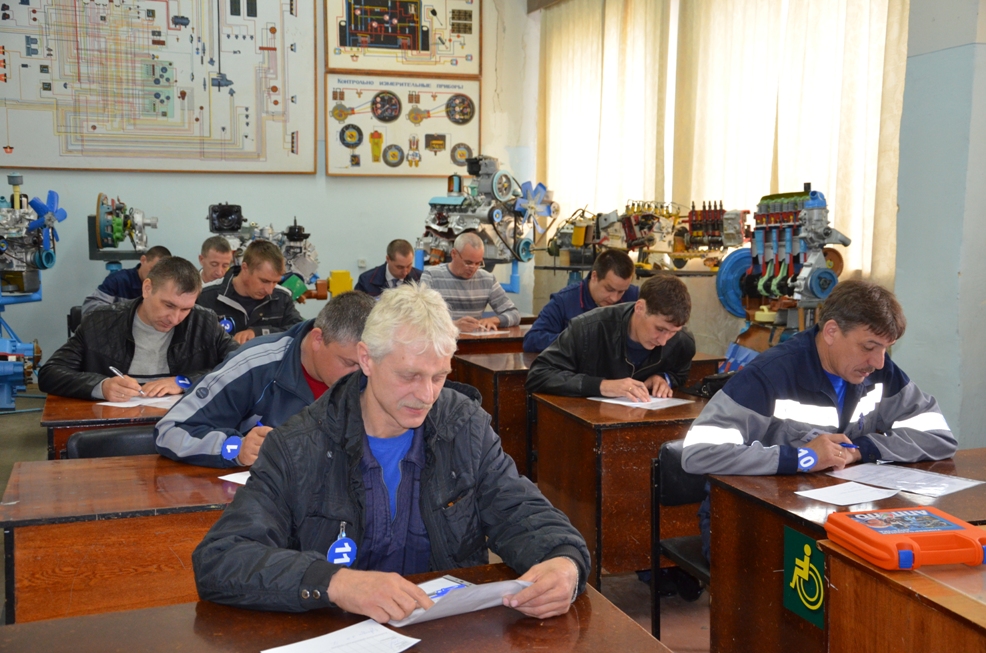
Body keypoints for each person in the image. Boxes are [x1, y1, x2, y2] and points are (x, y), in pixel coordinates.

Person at [192, 283, 590, 623]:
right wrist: (335, 583)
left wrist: (564, 562)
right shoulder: (298, 445)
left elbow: (521, 512)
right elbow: (220, 559)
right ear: (366, 359)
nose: (426, 395)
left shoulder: (463, 426)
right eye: (409, 376)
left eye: (439, 376)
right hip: (336, 633)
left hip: (443, 632)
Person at [681, 280, 957, 558]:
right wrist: (803, 457)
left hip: (837, 515)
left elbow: (938, 436)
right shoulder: (770, 374)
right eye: (869, 346)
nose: (879, 362)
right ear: (831, 331)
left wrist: (861, 449)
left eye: (886, 348)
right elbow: (699, 452)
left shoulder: (880, 374)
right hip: (749, 522)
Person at [155, 291, 375, 468]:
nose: (361, 374)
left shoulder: (379, 370)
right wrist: (236, 448)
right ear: (318, 339)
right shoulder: (255, 364)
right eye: (349, 363)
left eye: (369, 362)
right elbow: (170, 430)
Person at [39, 257, 238, 401]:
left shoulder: (204, 322)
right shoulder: (100, 322)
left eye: (185, 309)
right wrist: (101, 386)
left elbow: (243, 364)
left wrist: (185, 381)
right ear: (147, 289)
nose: (175, 318)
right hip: (112, 426)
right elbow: (50, 373)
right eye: (168, 305)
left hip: (181, 425)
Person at [526, 273, 695, 401]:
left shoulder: (682, 342)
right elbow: (539, 375)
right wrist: (602, 386)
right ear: (640, 308)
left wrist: (663, 378)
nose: (663, 341)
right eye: (660, 329)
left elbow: (679, 374)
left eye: (672, 332)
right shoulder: (587, 328)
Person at [523, 249, 640, 353]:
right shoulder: (564, 301)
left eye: (621, 292)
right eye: (609, 289)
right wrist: (578, 341)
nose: (614, 298)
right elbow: (532, 339)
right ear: (594, 276)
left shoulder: (635, 298)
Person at [197, 240, 303, 345]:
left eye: (275, 282)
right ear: (245, 268)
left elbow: (300, 331)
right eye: (264, 281)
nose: (269, 290)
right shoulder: (205, 297)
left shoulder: (282, 297)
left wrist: (259, 333)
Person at [420, 232, 520, 331]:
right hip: (442, 339)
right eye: (468, 263)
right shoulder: (431, 276)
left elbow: (514, 314)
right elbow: (419, 318)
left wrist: (494, 320)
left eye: (478, 263)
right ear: (454, 254)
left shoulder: (487, 280)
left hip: (474, 339)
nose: (473, 268)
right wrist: (454, 325)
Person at [81, 245, 172, 314]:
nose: (155, 276)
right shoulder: (118, 280)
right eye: (153, 270)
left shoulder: (165, 287)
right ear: (143, 260)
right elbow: (89, 310)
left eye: (161, 273)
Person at [355, 239, 422, 297]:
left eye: (409, 266)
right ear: (388, 259)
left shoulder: (421, 279)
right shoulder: (366, 281)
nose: (405, 272)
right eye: (399, 267)